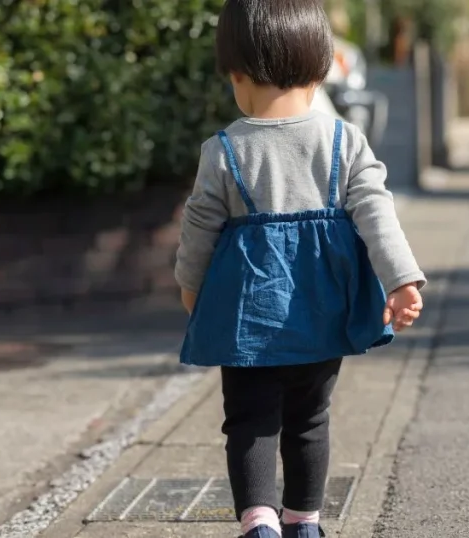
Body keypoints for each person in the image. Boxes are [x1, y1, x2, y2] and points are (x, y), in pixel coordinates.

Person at [173, 1, 426, 536]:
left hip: (248, 317)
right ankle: (304, 522)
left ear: (238, 75)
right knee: (310, 419)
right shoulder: (343, 142)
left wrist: (190, 288)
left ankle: (257, 521)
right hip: (322, 308)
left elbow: (199, 229)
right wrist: (401, 279)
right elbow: (377, 213)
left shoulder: (224, 151)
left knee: (249, 419)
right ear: (323, 68)